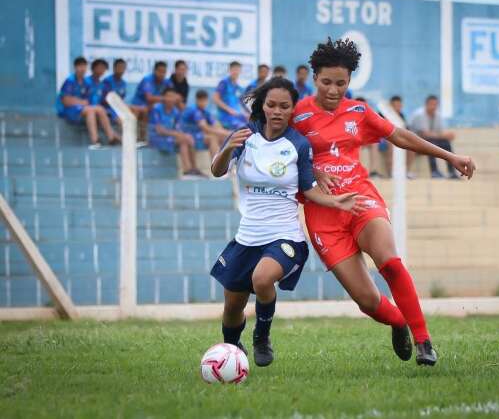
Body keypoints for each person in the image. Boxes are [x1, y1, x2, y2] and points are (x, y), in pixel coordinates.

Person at [292, 38, 475, 366]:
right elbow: (281, 153)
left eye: (341, 83)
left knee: (389, 261)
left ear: (350, 81)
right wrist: (313, 169)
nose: (334, 90)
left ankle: (423, 341)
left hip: (361, 199)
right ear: (313, 77)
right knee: (366, 300)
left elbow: (401, 136)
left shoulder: (359, 111)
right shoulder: (297, 114)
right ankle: (398, 321)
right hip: (322, 215)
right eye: (326, 82)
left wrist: (450, 156)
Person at [210, 77, 366, 367]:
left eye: (284, 106)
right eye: (272, 105)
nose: (277, 111)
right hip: (248, 236)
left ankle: (262, 337)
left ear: (293, 109)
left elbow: (307, 188)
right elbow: (217, 171)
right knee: (232, 306)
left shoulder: (298, 143)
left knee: (262, 278)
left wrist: (334, 201)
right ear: (263, 106)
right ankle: (231, 354)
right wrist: (226, 148)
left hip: (284, 235)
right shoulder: (244, 136)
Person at [56, 56, 121, 149]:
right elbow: (66, 101)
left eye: (84, 66)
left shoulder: (86, 83)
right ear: (75, 67)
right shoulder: (70, 81)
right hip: (69, 111)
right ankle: (95, 141)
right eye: (80, 66)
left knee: (99, 109)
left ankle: (111, 137)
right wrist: (81, 102)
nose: (82, 69)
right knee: (91, 111)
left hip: (82, 109)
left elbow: (89, 101)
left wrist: (85, 103)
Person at [148, 87, 204, 178]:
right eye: (168, 96)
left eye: (172, 97)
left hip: (169, 138)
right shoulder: (157, 109)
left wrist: (185, 135)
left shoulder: (175, 111)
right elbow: (159, 130)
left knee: (188, 138)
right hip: (156, 139)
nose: (170, 99)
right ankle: (187, 170)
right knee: (183, 139)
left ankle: (193, 169)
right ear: (163, 97)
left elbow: (178, 129)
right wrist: (179, 135)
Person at [409, 95, 458, 179]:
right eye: (431, 104)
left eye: (435, 104)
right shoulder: (420, 114)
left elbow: (439, 133)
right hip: (414, 143)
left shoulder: (438, 115)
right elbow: (424, 134)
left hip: (429, 141)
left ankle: (451, 172)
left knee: (446, 143)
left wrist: (446, 136)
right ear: (426, 104)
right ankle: (434, 171)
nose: (433, 107)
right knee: (431, 143)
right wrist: (443, 135)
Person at [179, 89, 229, 162]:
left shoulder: (205, 111)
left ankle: (226, 165)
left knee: (224, 138)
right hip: (187, 135)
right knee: (212, 138)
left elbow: (216, 125)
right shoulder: (193, 110)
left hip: (198, 136)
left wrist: (225, 133)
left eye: (205, 100)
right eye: (201, 100)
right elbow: (205, 128)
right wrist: (227, 133)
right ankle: (216, 165)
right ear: (196, 100)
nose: (203, 103)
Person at [213, 61, 248, 130]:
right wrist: (229, 110)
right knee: (243, 129)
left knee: (252, 125)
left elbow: (242, 103)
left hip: (236, 116)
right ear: (229, 70)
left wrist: (247, 114)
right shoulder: (224, 83)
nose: (235, 72)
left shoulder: (238, 87)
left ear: (240, 71)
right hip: (226, 117)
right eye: (233, 70)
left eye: (237, 70)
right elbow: (215, 98)